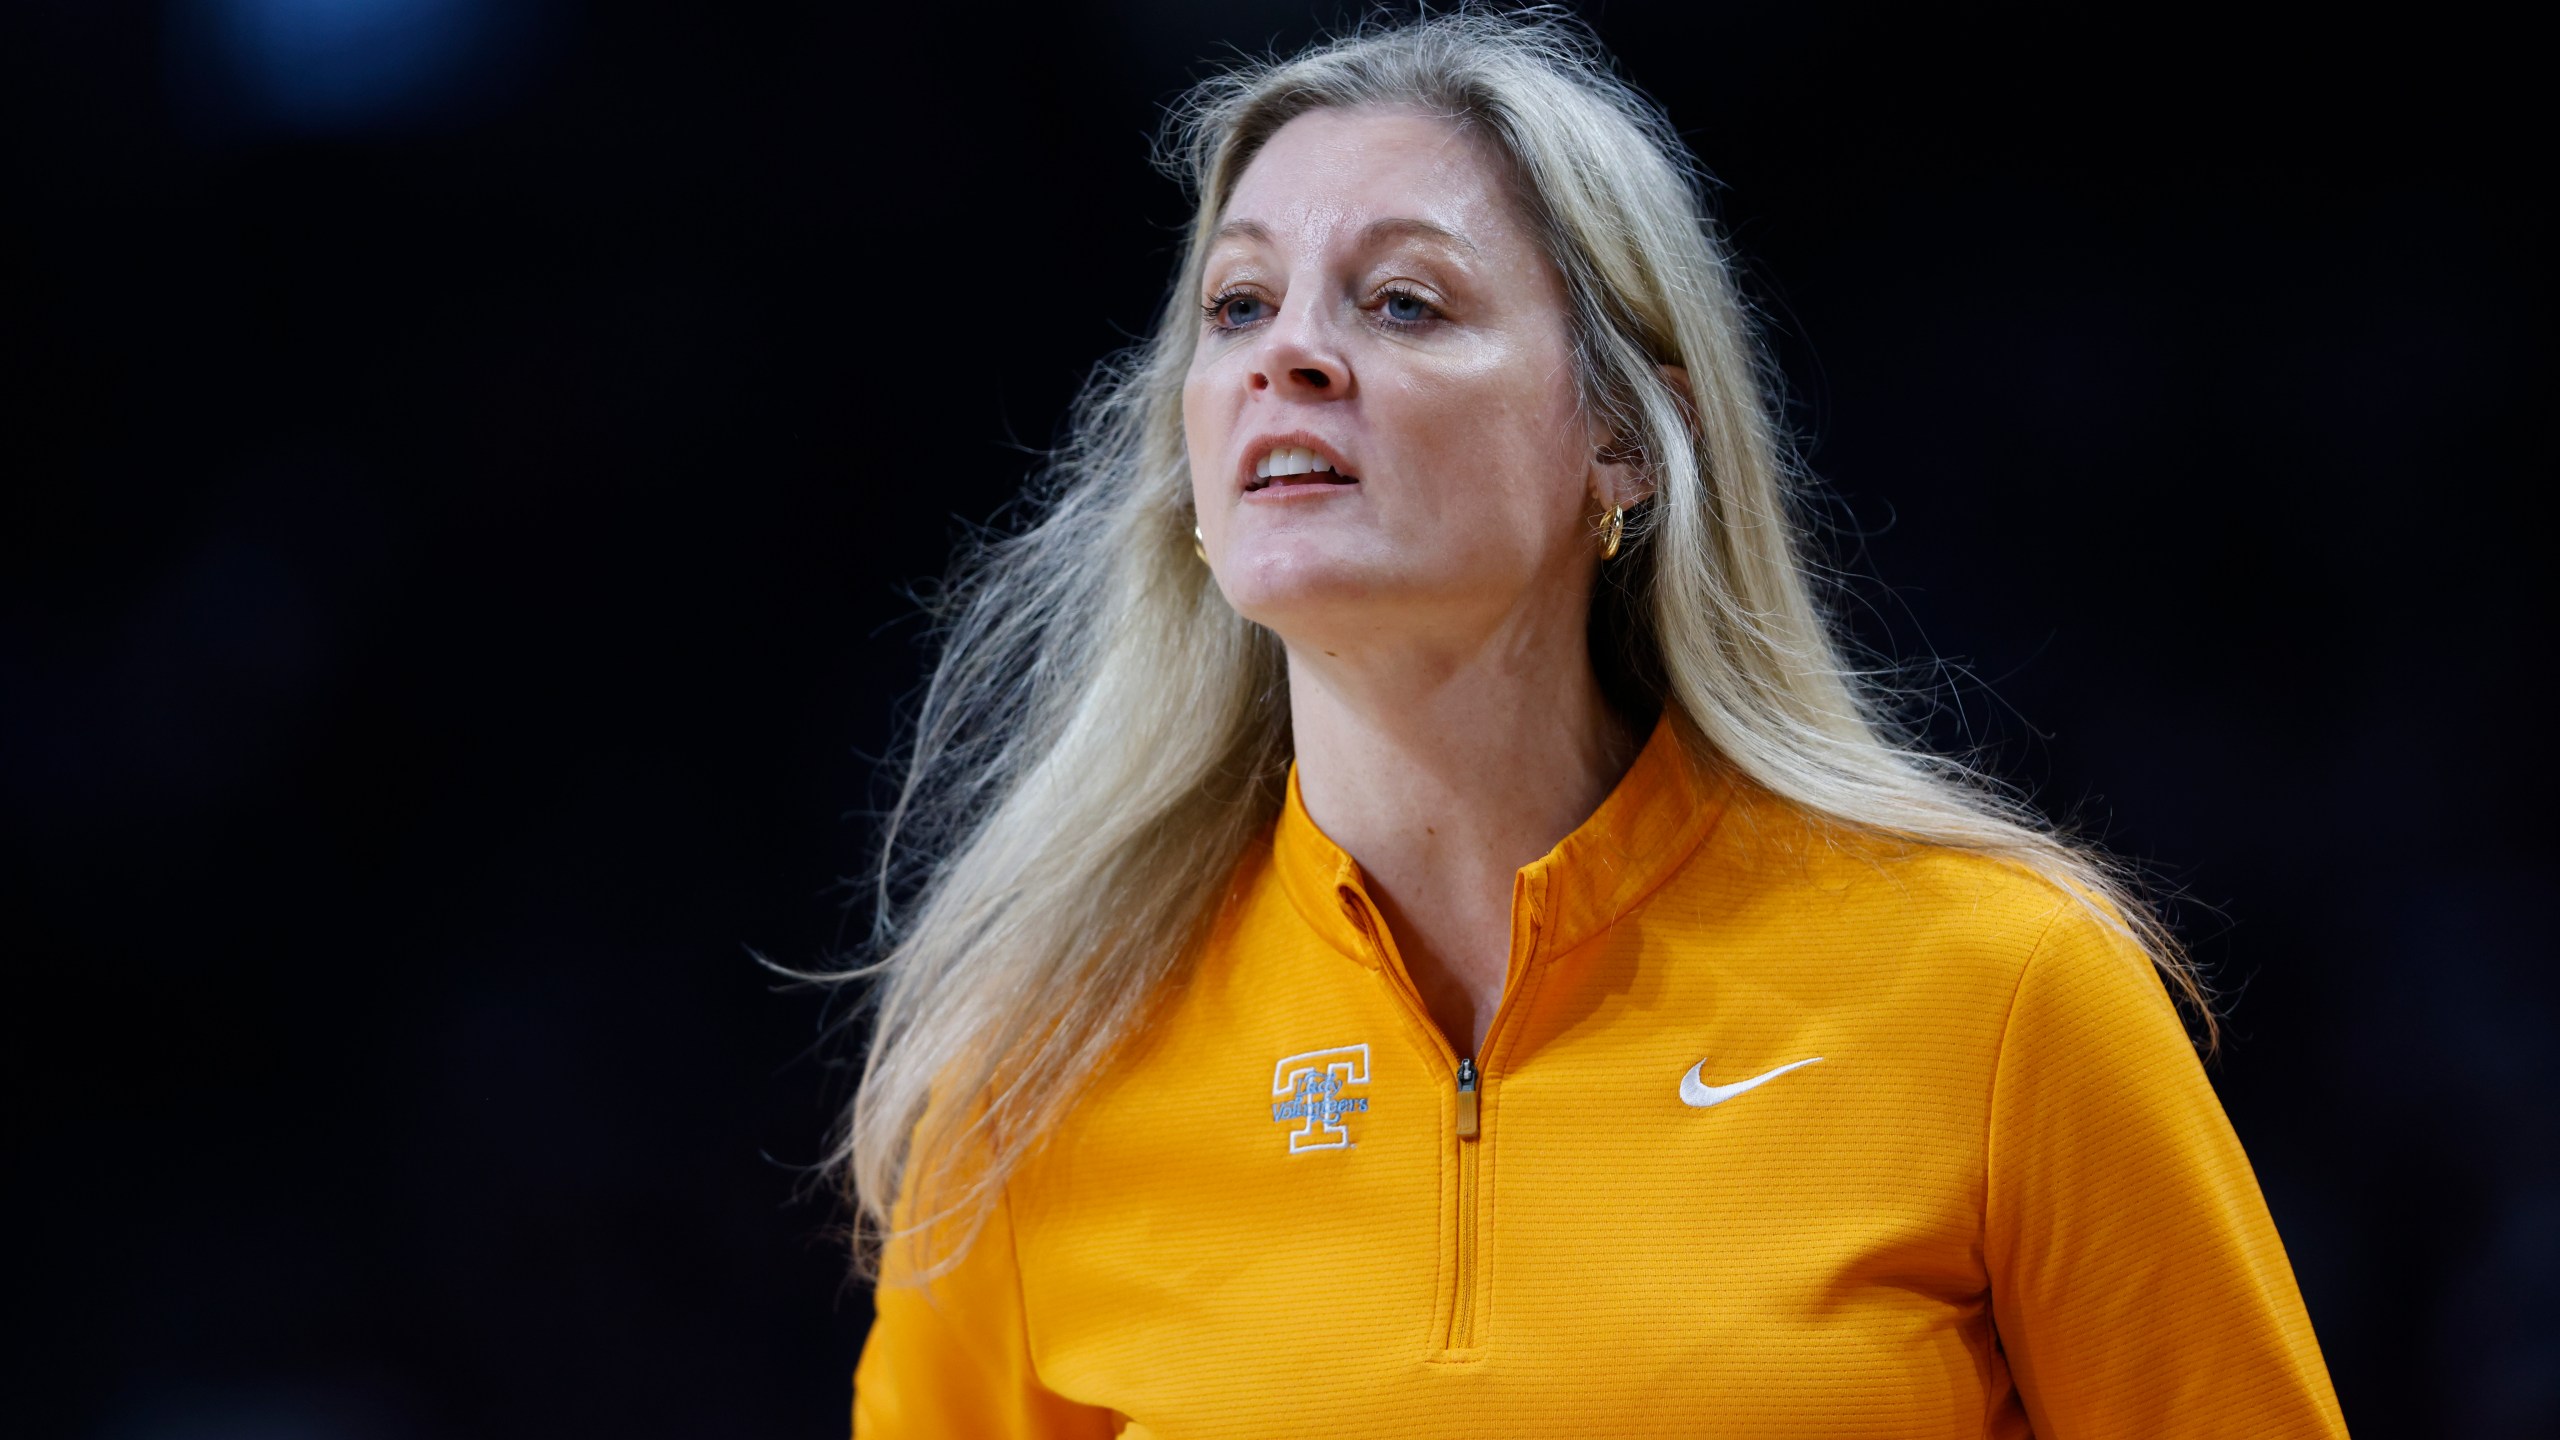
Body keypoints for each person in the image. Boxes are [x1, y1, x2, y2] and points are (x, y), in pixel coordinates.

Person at [837, 13, 2347, 1438]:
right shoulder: (1038, 1072)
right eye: (1238, 306)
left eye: (1403, 302)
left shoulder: (2005, 992)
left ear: (1628, 440)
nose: (1286, 355)